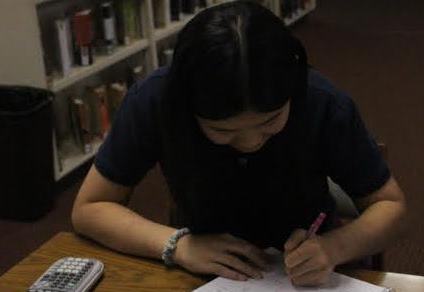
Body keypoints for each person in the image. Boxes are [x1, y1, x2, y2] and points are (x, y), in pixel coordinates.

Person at [71, 0, 407, 287]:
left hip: (307, 270)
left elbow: (390, 206)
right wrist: (179, 245)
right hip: (200, 264)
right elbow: (90, 208)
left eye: (269, 123)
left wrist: (334, 247)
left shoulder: (323, 104)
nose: (250, 144)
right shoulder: (156, 101)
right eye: (223, 131)